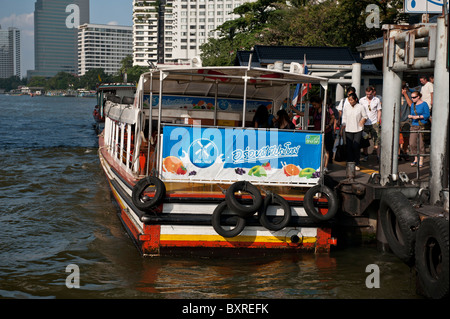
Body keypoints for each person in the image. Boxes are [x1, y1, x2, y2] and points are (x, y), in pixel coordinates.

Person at [340, 93, 368, 171]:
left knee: (356, 146)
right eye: (349, 100)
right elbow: (344, 118)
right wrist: (342, 127)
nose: (350, 101)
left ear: (356, 99)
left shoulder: (360, 107)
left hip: (358, 129)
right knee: (349, 147)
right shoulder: (346, 107)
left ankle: (357, 162)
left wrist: (363, 120)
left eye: (351, 100)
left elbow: (365, 116)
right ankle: (349, 162)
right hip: (348, 129)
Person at [403, 91, 430, 168]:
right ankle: (415, 158)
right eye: (412, 97)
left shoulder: (424, 104)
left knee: (421, 143)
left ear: (418, 97)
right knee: (411, 143)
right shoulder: (413, 105)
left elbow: (427, 115)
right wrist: (411, 116)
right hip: (414, 125)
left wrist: (417, 117)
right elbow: (412, 113)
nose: (413, 99)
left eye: (414, 97)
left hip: (421, 126)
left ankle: (421, 159)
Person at [309, 96, 335, 172]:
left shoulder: (327, 109)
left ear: (319, 103)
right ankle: (317, 165)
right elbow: (304, 114)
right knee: (316, 149)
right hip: (316, 132)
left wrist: (329, 125)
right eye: (313, 105)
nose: (314, 106)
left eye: (315, 104)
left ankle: (325, 167)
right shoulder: (313, 110)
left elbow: (333, 117)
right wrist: (293, 109)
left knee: (326, 149)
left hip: (326, 132)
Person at [359, 87, 382, 162]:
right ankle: (365, 155)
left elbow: (379, 110)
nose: (368, 95)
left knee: (376, 139)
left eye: (370, 94)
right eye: (367, 94)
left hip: (374, 122)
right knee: (365, 140)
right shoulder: (362, 100)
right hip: (365, 122)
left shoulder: (376, 100)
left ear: (372, 92)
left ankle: (378, 156)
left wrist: (378, 121)